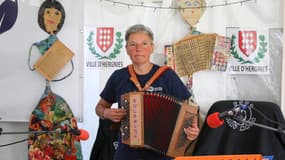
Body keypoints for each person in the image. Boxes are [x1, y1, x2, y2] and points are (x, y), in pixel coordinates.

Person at [95, 24, 200, 160]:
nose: (139, 49)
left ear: (152, 47)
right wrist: (105, 113)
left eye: (144, 43)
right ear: (126, 49)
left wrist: (193, 128)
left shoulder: (167, 75)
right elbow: (99, 107)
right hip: (127, 152)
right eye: (133, 44)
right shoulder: (118, 76)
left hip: (163, 151)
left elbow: (190, 107)